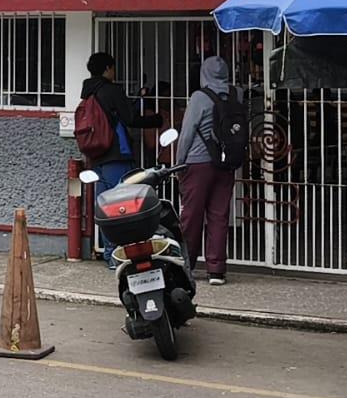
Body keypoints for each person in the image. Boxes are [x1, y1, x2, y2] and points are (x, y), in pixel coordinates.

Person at [80, 51, 163, 266]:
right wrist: (156, 120)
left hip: (96, 156)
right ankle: (120, 255)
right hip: (116, 154)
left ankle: (110, 254)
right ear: (107, 68)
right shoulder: (112, 90)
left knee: (104, 205)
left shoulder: (87, 92)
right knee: (122, 205)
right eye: (113, 68)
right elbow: (129, 118)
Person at [174, 56, 238, 286]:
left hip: (198, 162)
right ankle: (216, 270)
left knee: (192, 216)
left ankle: (186, 264)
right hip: (226, 162)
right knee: (219, 215)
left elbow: (187, 133)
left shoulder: (199, 97)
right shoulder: (236, 94)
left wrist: (179, 162)